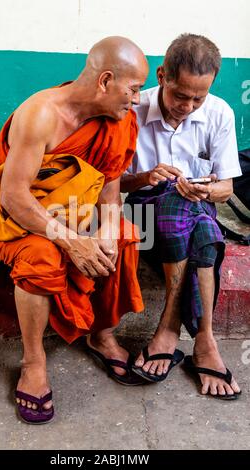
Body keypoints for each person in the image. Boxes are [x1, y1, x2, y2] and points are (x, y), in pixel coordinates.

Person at [0, 36, 149, 424]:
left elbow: (108, 190)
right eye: (133, 89)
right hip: (17, 214)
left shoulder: (118, 122)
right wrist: (72, 241)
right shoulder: (41, 114)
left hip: (76, 208)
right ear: (105, 80)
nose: (137, 100)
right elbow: (14, 197)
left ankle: (101, 333)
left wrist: (104, 230)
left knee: (123, 236)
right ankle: (33, 361)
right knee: (43, 254)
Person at [121, 34, 242, 399]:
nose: (188, 106)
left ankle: (189, 335)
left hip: (192, 214)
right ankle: (195, 339)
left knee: (200, 223)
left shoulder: (219, 113)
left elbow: (227, 188)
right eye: (180, 95)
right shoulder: (131, 109)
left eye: (198, 98)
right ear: (161, 76)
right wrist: (147, 176)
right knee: (185, 208)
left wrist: (207, 190)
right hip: (140, 218)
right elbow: (113, 183)